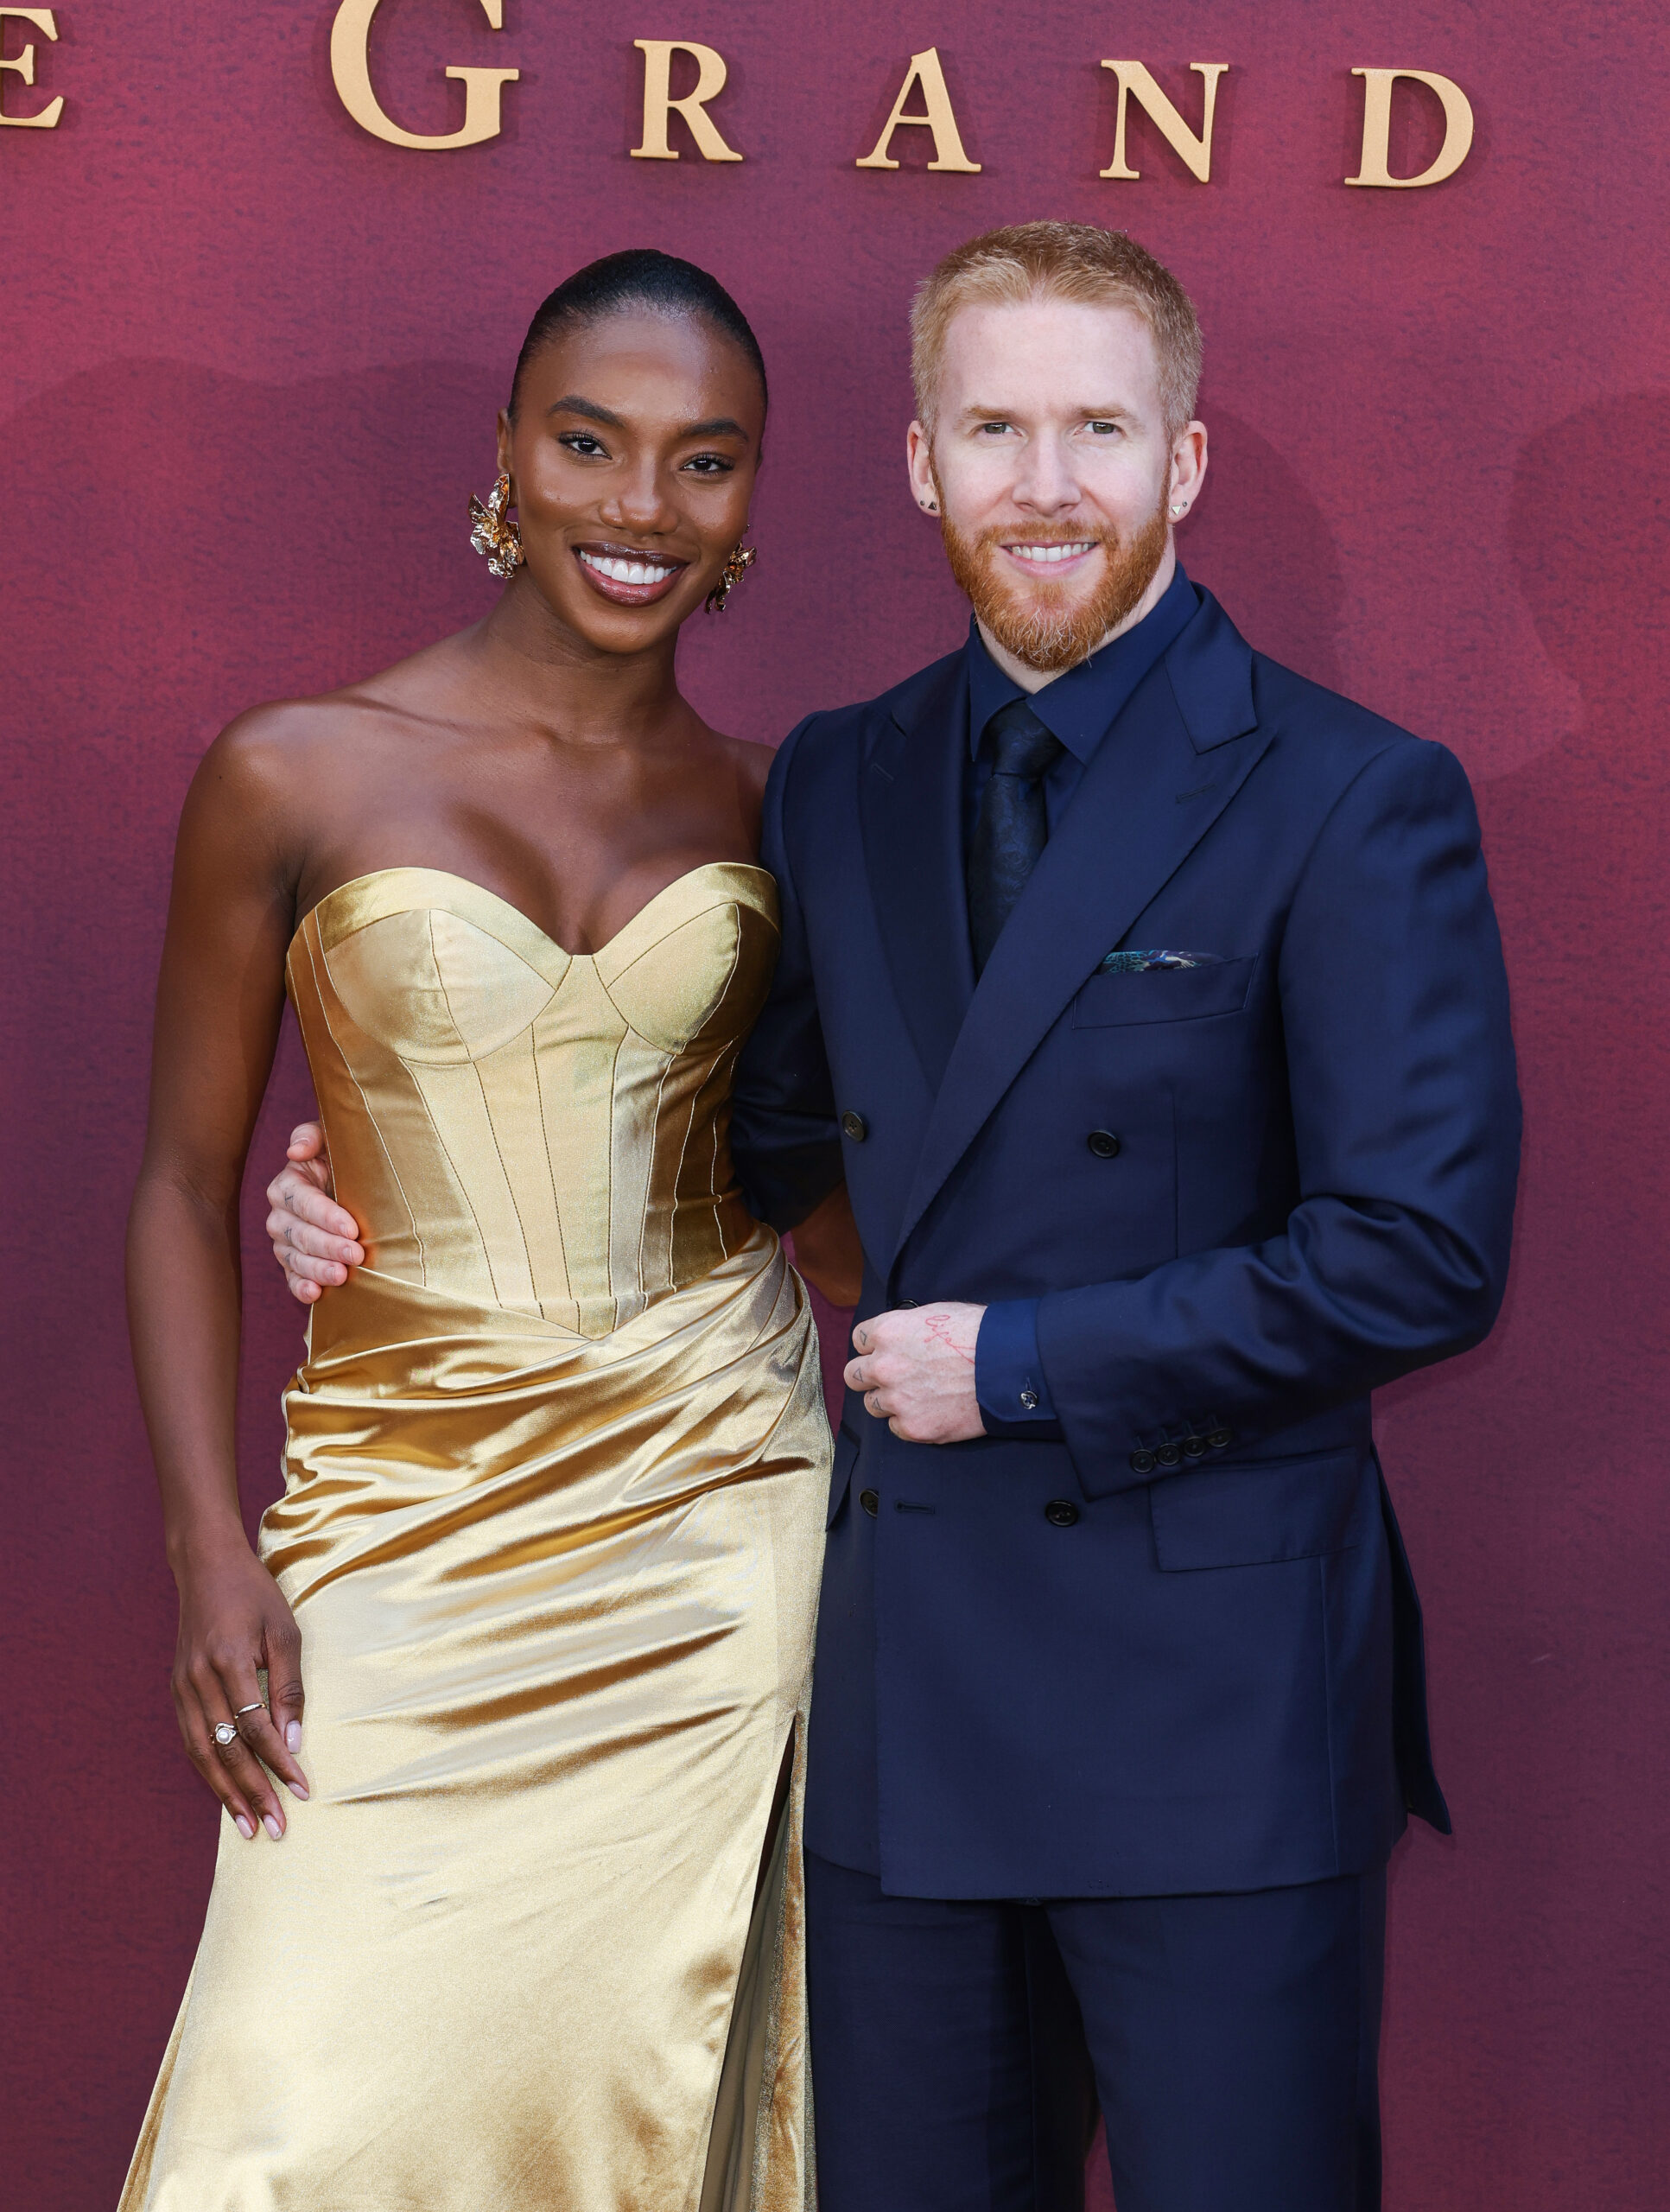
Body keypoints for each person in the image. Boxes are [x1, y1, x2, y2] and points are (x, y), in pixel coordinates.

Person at [267, 223, 1521, 2211]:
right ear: (923, 463)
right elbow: (749, 1135)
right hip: (902, 1709)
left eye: (1097, 427)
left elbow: (1421, 1249)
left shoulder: (1351, 793)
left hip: (1213, 1717)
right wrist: (387, 1178)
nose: (1046, 480)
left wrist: (1020, 1364)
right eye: (994, 425)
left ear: (1181, 464)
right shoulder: (841, 778)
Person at [121, 250, 843, 2212]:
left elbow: (835, 1188)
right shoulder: (294, 766)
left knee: (638, 2070)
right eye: (590, 440)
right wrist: (209, 1553)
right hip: (398, 1509)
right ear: (506, 455)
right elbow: (189, 1186)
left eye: (705, 461)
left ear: (754, 499)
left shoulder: (797, 808)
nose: (639, 504)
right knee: (306, 2092)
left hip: (713, 1498)